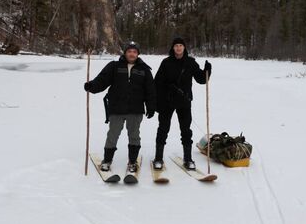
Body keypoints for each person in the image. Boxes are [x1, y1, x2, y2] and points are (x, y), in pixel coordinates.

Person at [84, 41, 156, 172]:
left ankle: (132, 162)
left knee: (134, 135)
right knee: (113, 134)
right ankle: (107, 161)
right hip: (117, 107)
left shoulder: (144, 69)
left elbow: (150, 90)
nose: (132, 54)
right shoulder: (114, 66)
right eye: (129, 51)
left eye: (134, 52)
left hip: (135, 109)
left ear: (138, 54)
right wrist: (92, 86)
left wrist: (151, 107)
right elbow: (102, 80)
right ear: (125, 53)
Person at [153, 37, 211, 170]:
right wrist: (156, 103)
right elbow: (157, 83)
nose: (178, 48)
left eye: (180, 45)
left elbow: (201, 79)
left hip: (184, 102)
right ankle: (158, 158)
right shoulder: (166, 62)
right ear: (172, 48)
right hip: (167, 102)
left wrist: (207, 70)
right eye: (176, 46)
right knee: (163, 129)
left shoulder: (190, 62)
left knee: (186, 130)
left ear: (184, 48)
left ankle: (188, 158)